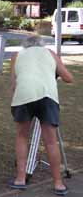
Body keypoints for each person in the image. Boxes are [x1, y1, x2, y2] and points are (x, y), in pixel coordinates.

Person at [9, 36, 73, 195]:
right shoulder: (50, 53)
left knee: (22, 136)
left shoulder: (17, 56)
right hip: (47, 96)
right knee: (51, 142)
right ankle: (58, 184)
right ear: (41, 45)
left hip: (23, 96)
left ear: (25, 46)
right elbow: (68, 78)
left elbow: (14, 84)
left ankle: (20, 178)